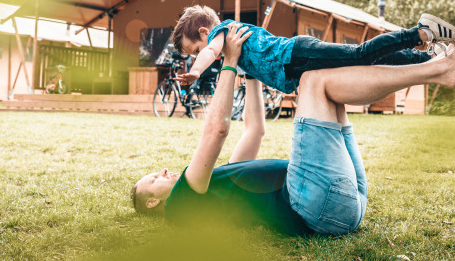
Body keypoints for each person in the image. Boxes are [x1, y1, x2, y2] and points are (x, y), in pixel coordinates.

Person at [131, 22, 455, 235]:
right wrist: (228, 62)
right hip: (314, 204)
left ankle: (433, 68)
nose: (161, 171)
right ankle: (436, 69)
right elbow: (217, 130)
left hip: (344, 204)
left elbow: (254, 131)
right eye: (152, 179)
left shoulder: (222, 185)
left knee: (331, 94)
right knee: (311, 80)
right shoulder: (181, 204)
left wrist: (249, 72)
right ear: (151, 203)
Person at [173, 5, 455, 93]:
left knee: (361, 54)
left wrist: (196, 71)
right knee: (364, 63)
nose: (201, 54)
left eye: (195, 49)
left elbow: (210, 53)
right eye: (195, 56)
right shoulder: (234, 45)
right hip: (298, 63)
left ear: (205, 33)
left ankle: (420, 32)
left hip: (298, 54)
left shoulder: (223, 32)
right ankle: (426, 56)